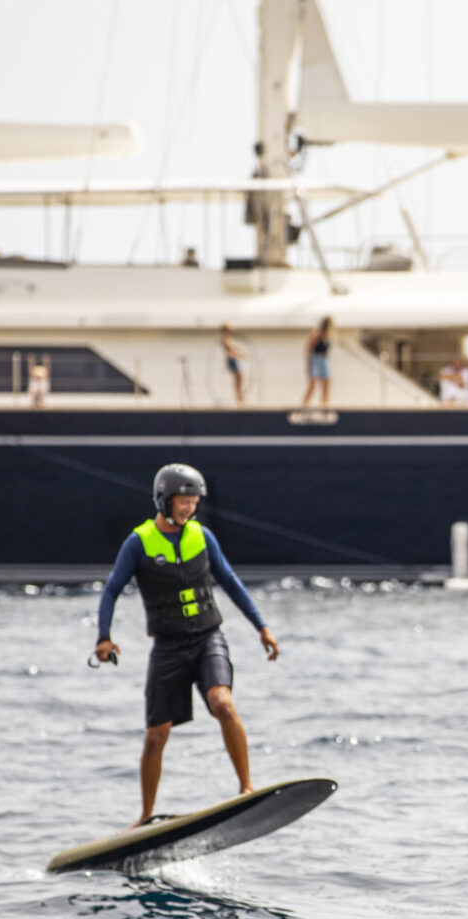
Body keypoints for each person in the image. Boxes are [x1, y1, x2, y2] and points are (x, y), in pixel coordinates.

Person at [93, 464, 280, 827]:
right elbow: (112, 590)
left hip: (208, 637)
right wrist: (103, 637)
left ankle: (246, 788)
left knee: (222, 703)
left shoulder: (203, 537)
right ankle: (146, 816)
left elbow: (230, 581)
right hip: (168, 647)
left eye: (194, 503)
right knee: (156, 735)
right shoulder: (139, 542)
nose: (189, 509)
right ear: (164, 501)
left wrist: (262, 627)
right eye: (183, 502)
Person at [300, 316, 332, 408]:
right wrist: (308, 365)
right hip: (315, 359)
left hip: (324, 360)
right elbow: (308, 349)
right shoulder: (316, 333)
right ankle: (304, 406)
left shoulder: (328, 335)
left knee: (326, 384)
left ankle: (325, 407)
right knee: (312, 385)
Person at [220, 323, 249, 406]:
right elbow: (231, 350)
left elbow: (234, 349)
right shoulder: (224, 339)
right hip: (231, 360)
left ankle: (240, 397)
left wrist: (241, 354)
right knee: (238, 378)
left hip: (233, 359)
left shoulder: (228, 338)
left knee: (239, 378)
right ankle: (239, 398)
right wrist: (241, 356)